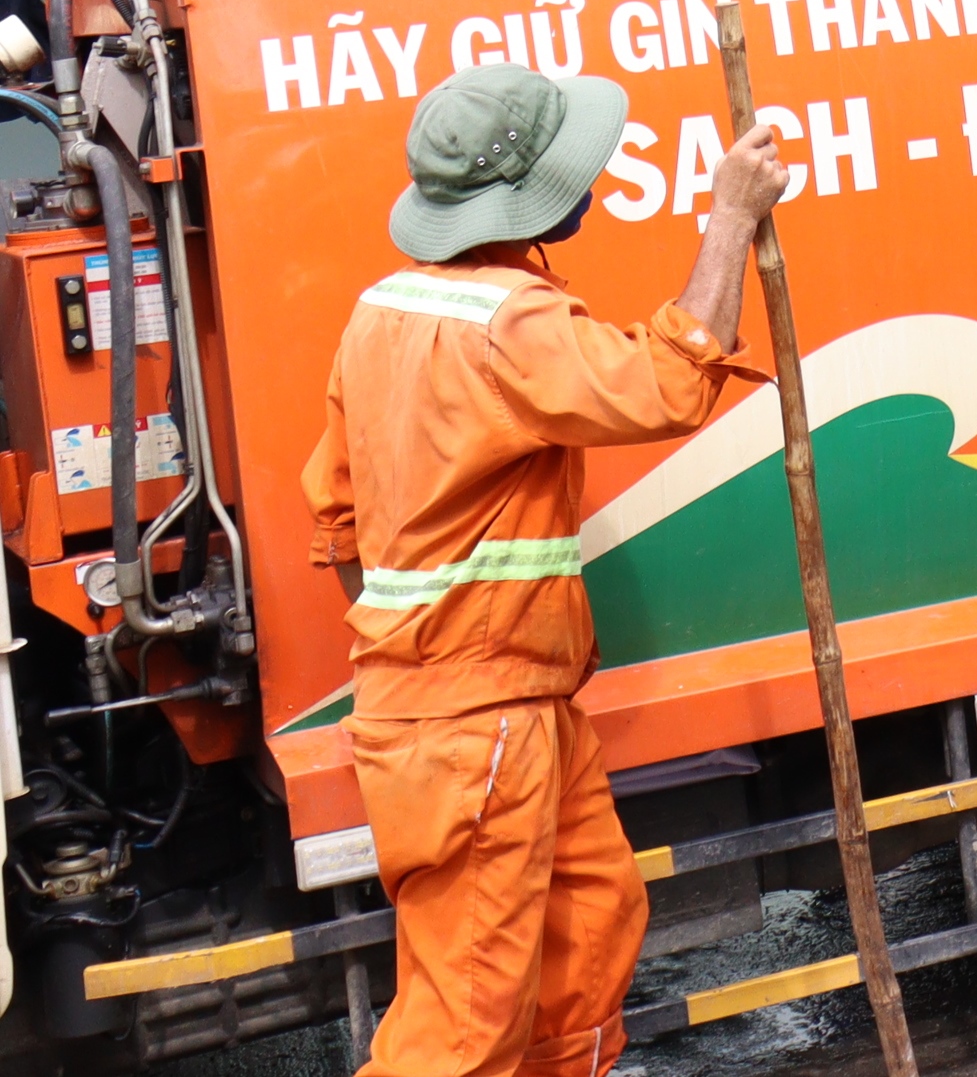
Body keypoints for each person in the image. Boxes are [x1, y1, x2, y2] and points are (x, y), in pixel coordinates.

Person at [305, 65, 783, 1077]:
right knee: (464, 1028)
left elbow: (338, 525)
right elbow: (668, 382)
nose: (592, 183)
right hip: (478, 721)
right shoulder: (505, 324)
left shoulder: (381, 312)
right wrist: (730, 220)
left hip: (494, 708)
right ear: (524, 195)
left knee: (588, 932)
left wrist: (424, 655)